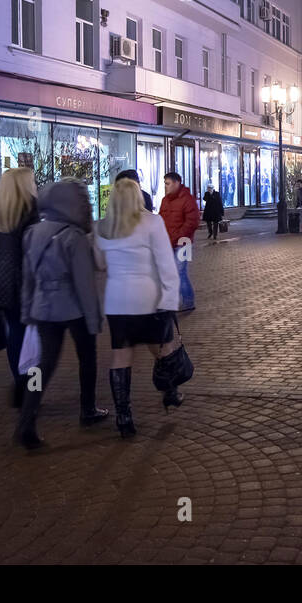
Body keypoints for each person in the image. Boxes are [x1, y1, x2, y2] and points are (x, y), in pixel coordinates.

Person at [14, 179, 109, 450]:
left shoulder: (33, 233)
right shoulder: (73, 236)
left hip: (43, 308)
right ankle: (87, 409)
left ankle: (26, 420)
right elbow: (84, 284)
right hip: (73, 308)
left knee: (43, 366)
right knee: (87, 358)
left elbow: (28, 278)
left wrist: (27, 310)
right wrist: (94, 318)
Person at [95, 178, 189, 437]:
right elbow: (165, 264)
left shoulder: (103, 228)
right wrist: (170, 299)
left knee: (121, 357)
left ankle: (124, 417)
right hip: (147, 299)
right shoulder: (151, 222)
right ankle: (170, 392)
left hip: (116, 302)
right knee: (163, 348)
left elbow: (100, 264)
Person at [0, 167, 38, 410]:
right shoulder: (31, 212)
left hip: (1, 282)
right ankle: (31, 391)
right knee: (34, 341)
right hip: (25, 282)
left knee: (15, 337)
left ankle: (20, 385)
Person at [158, 171, 200, 311]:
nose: (166, 187)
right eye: (165, 184)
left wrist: (177, 236)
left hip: (184, 243)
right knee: (172, 273)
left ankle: (188, 302)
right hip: (168, 243)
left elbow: (192, 222)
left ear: (176, 183)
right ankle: (173, 302)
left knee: (180, 272)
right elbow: (161, 220)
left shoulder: (188, 199)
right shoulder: (165, 200)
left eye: (168, 184)